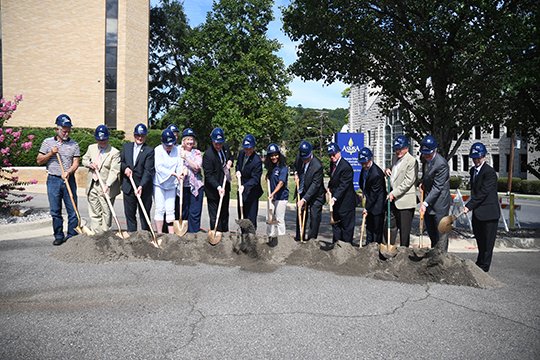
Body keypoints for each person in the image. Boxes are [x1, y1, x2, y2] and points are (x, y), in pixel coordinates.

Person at [36, 114, 81, 245]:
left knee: (72, 209)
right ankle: (59, 236)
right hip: (53, 180)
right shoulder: (47, 142)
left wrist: (69, 172)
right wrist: (51, 153)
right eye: (64, 130)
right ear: (57, 129)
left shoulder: (74, 144)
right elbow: (39, 160)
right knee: (55, 211)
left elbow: (76, 162)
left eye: (68, 130)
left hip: (68, 180)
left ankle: (72, 236)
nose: (66, 132)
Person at [463, 142, 500, 272]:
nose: (476, 161)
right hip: (478, 213)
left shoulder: (489, 173)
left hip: (489, 213)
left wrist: (468, 206)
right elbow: (474, 191)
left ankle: (484, 268)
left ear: (484, 156)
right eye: (474, 158)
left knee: (487, 243)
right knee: (480, 240)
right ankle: (479, 263)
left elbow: (483, 193)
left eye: (478, 158)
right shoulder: (473, 171)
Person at [82, 125, 121, 234]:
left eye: (104, 140)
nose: (102, 142)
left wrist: (107, 185)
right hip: (93, 184)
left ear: (108, 138)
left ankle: (105, 234)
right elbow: (84, 160)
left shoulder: (114, 152)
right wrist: (89, 164)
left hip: (106, 186)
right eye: (99, 140)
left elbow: (114, 171)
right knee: (94, 211)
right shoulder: (91, 148)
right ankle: (96, 235)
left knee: (106, 211)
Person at [321, 143, 357, 251]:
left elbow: (343, 185)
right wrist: (329, 187)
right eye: (330, 155)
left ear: (339, 152)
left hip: (346, 203)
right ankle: (336, 248)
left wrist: (334, 198)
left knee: (346, 228)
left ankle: (346, 250)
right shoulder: (333, 164)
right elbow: (333, 179)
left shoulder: (346, 167)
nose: (332, 157)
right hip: (336, 203)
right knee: (336, 227)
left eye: (333, 154)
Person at [384, 135, 418, 247]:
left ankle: (404, 253)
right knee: (390, 226)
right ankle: (389, 247)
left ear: (406, 148)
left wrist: (394, 193)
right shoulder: (395, 158)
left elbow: (408, 182)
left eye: (400, 149)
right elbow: (392, 170)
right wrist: (387, 169)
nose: (397, 151)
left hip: (405, 201)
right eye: (396, 149)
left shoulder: (411, 161)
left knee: (404, 231)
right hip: (393, 200)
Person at [120, 123, 155, 232]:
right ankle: (132, 237)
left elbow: (148, 171)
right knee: (130, 214)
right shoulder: (126, 147)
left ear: (145, 136)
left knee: (144, 215)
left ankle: (146, 237)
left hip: (143, 188)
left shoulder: (149, 150)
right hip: (129, 187)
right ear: (134, 135)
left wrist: (141, 186)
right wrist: (125, 168)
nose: (140, 138)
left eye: (142, 136)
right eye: (137, 135)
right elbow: (120, 162)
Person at [419, 134, 451, 251]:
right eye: (424, 153)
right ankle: (434, 255)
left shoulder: (441, 164)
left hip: (440, 204)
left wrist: (425, 204)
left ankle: (442, 258)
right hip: (429, 201)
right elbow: (427, 177)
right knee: (432, 232)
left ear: (435, 150)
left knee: (441, 233)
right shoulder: (425, 159)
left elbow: (438, 187)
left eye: (428, 153)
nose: (426, 156)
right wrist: (422, 182)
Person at [203, 127, 233, 233]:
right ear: (212, 141)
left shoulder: (225, 147)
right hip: (213, 190)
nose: (219, 146)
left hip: (225, 186)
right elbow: (208, 175)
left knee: (225, 213)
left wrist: (230, 162)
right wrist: (218, 187)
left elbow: (230, 157)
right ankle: (216, 233)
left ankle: (225, 235)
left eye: (220, 143)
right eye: (216, 144)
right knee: (215, 215)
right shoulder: (208, 155)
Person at [295, 140, 326, 241]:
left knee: (314, 217)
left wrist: (304, 199)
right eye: (303, 158)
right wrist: (296, 174)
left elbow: (315, 185)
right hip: (303, 189)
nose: (304, 160)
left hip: (316, 195)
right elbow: (297, 167)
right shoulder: (299, 158)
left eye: (306, 158)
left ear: (310, 154)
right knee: (300, 213)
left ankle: (311, 241)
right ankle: (300, 237)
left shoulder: (317, 166)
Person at [154, 129, 183, 234]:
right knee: (160, 209)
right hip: (159, 183)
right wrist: (173, 173)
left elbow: (179, 165)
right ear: (162, 142)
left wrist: (180, 174)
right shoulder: (158, 150)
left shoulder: (177, 150)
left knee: (171, 210)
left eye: (171, 144)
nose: (169, 147)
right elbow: (159, 167)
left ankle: (171, 236)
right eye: (167, 145)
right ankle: (159, 234)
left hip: (172, 184)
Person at [358, 147, 386, 245]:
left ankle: (376, 248)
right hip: (370, 201)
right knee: (369, 227)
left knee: (376, 230)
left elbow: (374, 194)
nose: (363, 165)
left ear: (370, 159)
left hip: (377, 205)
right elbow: (362, 183)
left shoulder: (376, 173)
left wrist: (367, 208)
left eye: (365, 163)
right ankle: (368, 246)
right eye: (362, 163)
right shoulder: (364, 169)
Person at [235, 134, 263, 231]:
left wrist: (245, 186)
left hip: (252, 192)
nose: (247, 151)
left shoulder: (257, 161)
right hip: (241, 189)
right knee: (242, 216)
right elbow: (238, 165)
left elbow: (255, 179)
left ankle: (251, 238)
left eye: (249, 149)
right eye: (246, 149)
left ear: (253, 148)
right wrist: (237, 171)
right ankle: (243, 237)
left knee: (250, 218)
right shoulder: (241, 154)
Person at [179, 128, 204, 233]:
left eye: (192, 139)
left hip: (196, 186)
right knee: (183, 212)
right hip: (182, 186)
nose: (190, 142)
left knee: (194, 213)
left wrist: (186, 159)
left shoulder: (197, 153)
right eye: (187, 139)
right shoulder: (177, 151)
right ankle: (183, 235)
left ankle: (194, 235)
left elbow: (197, 167)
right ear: (183, 141)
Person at [264, 143, 289, 247]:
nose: (274, 157)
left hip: (281, 198)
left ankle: (282, 241)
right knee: (269, 218)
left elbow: (281, 183)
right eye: (271, 155)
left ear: (279, 155)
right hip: (272, 197)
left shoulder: (283, 167)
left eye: (275, 155)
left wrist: (273, 193)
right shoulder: (271, 168)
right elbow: (270, 179)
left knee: (279, 219)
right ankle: (270, 238)